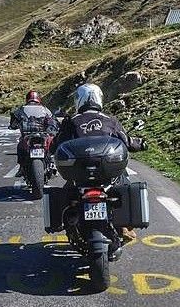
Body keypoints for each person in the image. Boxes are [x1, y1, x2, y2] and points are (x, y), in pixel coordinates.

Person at [54, 82, 139, 250]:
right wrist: (140, 143)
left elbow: (57, 143)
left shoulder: (71, 121)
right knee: (124, 183)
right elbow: (127, 142)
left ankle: (67, 222)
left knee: (67, 193)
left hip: (79, 173)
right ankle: (125, 227)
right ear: (99, 99)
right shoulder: (110, 120)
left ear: (79, 101)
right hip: (107, 172)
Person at [9, 90, 58, 170]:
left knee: (20, 147)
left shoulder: (21, 109)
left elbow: (13, 122)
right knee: (51, 145)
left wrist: (13, 126)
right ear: (38, 99)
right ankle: (51, 162)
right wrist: (53, 129)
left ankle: (21, 167)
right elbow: (53, 120)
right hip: (43, 135)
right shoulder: (44, 109)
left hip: (27, 135)